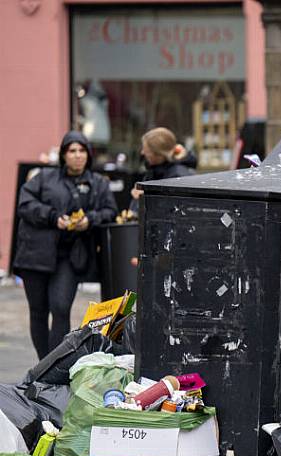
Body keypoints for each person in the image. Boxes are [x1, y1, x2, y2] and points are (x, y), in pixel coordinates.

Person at [13, 131, 118, 359]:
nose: (77, 156)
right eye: (72, 151)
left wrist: (90, 219)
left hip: (70, 257)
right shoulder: (44, 178)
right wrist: (52, 216)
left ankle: (54, 364)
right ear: (63, 155)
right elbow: (25, 204)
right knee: (38, 311)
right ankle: (44, 364)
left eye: (82, 151)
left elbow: (111, 211)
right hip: (36, 254)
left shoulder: (98, 183)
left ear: (88, 155)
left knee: (61, 308)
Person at [129, 127, 196, 206]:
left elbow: (172, 209)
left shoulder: (178, 177)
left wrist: (145, 198)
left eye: (147, 150)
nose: (142, 152)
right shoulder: (155, 170)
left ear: (159, 155)